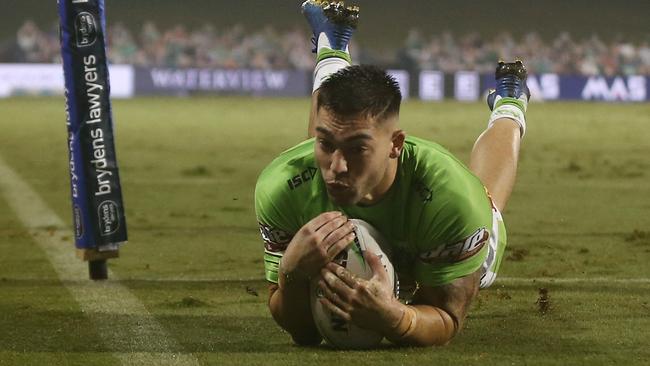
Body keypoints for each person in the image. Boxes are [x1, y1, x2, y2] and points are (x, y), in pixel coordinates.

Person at [254, 0, 529, 347]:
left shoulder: (452, 201)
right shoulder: (282, 185)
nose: (336, 165)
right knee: (332, 157)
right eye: (324, 145)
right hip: (377, 202)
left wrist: (398, 319)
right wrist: (291, 273)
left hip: (430, 236)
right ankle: (332, 45)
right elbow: (302, 332)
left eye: (358, 148)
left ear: (395, 144)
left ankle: (510, 103)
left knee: (485, 199)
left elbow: (446, 318)